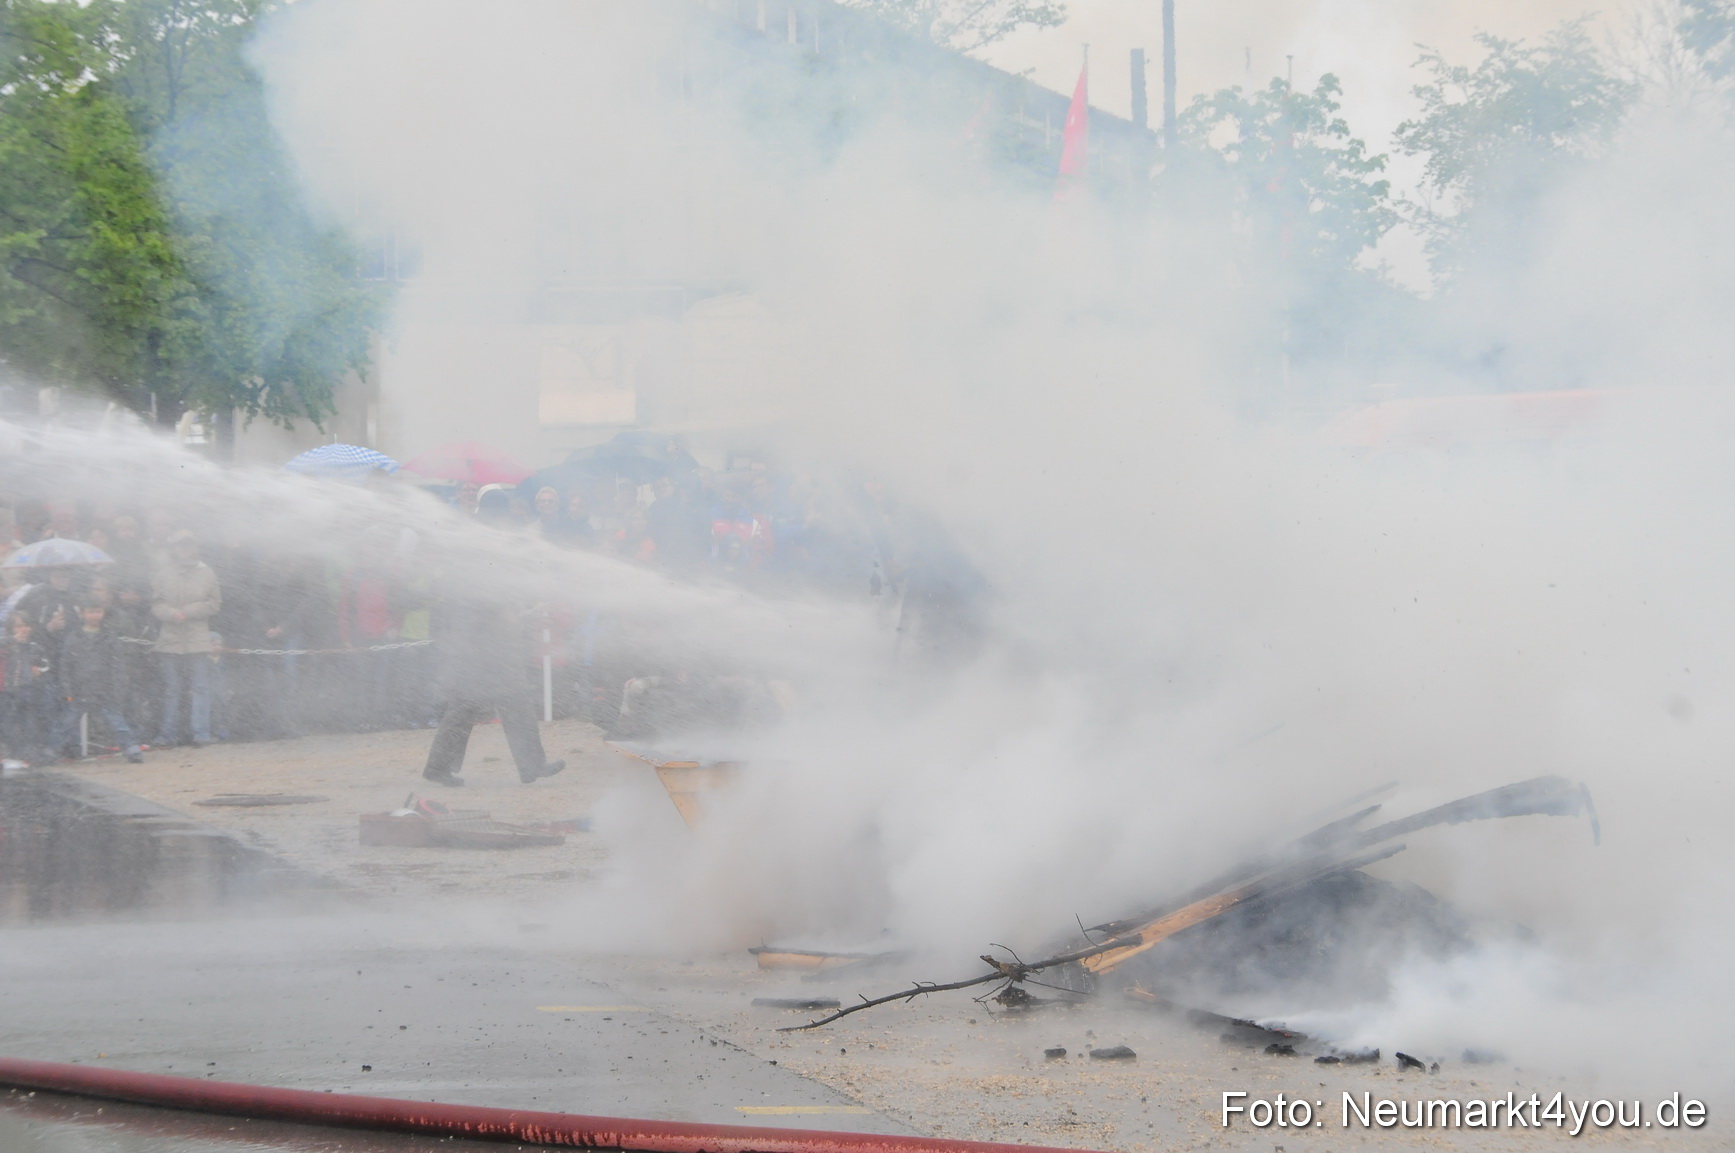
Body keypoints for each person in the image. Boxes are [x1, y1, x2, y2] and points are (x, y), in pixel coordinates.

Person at [420, 566, 563, 787]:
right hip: (484, 663)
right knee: (474, 711)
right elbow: (482, 620)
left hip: (489, 661)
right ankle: (531, 765)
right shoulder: (478, 585)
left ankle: (531, 765)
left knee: (507, 707)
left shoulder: (480, 581)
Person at [151, 530, 221, 747]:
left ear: (195, 547)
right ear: (174, 548)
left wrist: (188, 612)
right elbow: (155, 603)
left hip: (197, 638)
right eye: (180, 545)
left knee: (200, 687)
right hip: (170, 638)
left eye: (188, 545)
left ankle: (201, 734)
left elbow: (214, 604)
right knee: (171, 689)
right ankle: (167, 735)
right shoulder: (163, 573)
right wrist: (172, 614)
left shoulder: (208, 573)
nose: (184, 549)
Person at [60, 598, 144, 763]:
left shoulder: (110, 636)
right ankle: (54, 750)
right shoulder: (73, 637)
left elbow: (118, 665)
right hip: (79, 689)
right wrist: (67, 690)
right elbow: (65, 666)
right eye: (90, 611)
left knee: (117, 722)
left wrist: (117, 688)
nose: (94, 615)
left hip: (105, 689)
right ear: (82, 613)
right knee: (66, 723)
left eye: (98, 611)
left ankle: (132, 749)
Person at [0, 612, 52, 763]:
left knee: (29, 723)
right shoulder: (6, 644)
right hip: (6, 691)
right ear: (11, 628)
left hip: (28, 690)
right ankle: (11, 750)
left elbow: (46, 665)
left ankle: (26, 752)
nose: (23, 629)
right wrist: (11, 640)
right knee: (7, 722)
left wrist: (39, 670)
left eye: (26, 625)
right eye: (19, 626)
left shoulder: (34, 646)